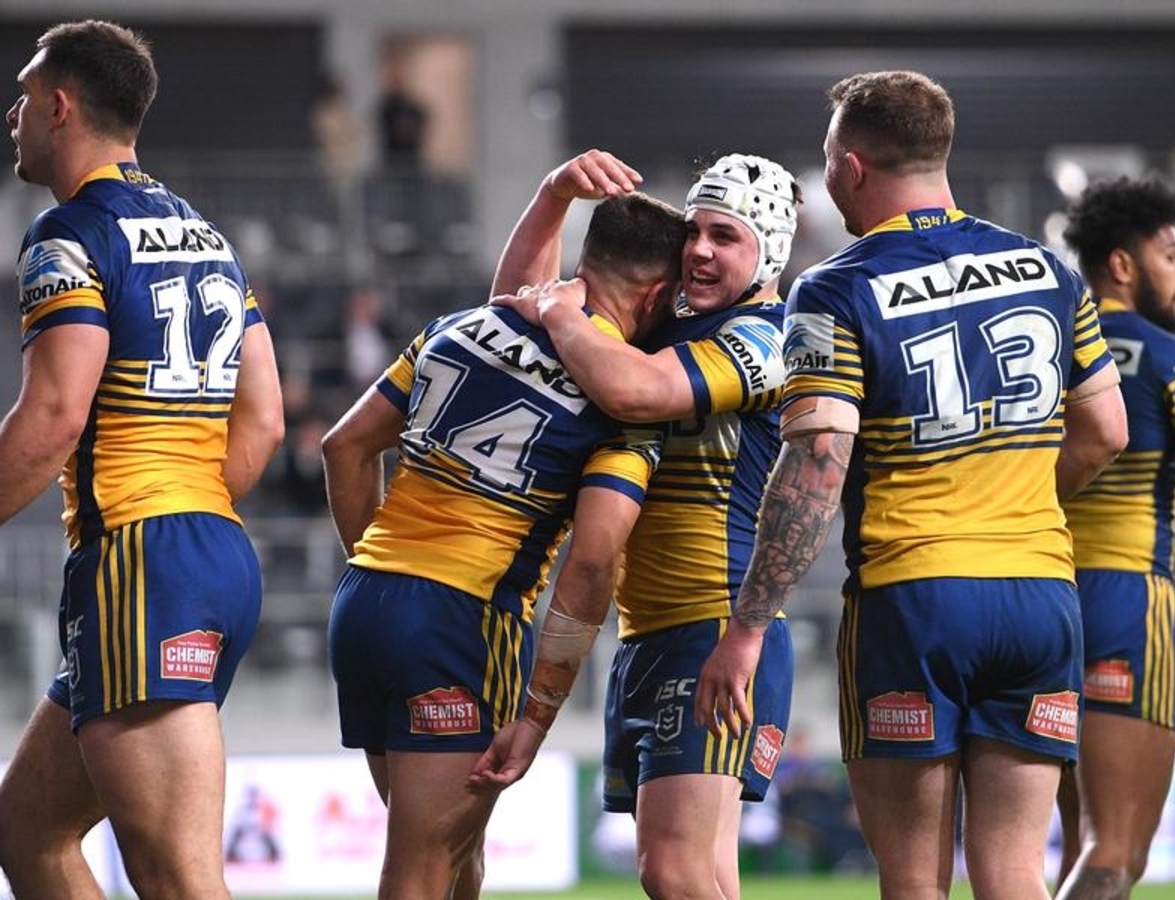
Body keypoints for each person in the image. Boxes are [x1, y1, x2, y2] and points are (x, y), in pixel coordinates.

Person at [693, 70, 1129, 900]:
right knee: (1014, 872)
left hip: (914, 601)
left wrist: (746, 630)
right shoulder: (1049, 270)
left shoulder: (835, 287)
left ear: (850, 167)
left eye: (828, 161)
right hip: (1040, 597)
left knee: (916, 883)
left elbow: (816, 465)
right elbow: (1106, 431)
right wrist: (1015, 499)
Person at [321, 189, 686, 899]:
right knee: (423, 870)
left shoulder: (460, 327)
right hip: (461, 618)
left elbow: (344, 447)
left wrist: (384, 572)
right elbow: (592, 562)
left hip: (365, 600)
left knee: (459, 860)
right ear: (657, 295)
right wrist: (540, 711)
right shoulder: (621, 400)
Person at [0, 19, 284, 900]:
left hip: (141, 560)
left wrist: (160, 534)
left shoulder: (68, 233)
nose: (12, 115)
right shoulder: (206, 235)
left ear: (60, 107)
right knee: (29, 832)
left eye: (23, 96)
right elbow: (265, 420)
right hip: (208, 552)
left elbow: (54, 416)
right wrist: (188, 517)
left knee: (176, 880)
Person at [472, 148, 801, 900]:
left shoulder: (766, 339)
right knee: (705, 874)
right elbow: (512, 311)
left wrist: (561, 310)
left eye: (725, 236)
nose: (699, 250)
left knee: (673, 872)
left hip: (715, 629)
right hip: (649, 633)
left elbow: (633, 391)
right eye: (695, 232)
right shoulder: (672, 331)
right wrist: (553, 196)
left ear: (770, 253)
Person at [1053, 174, 1175, 900]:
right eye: (1170, 256)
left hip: (1043, 598)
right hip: (1128, 605)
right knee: (1114, 853)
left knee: (1074, 846)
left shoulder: (1049, 354)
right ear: (1121, 264)